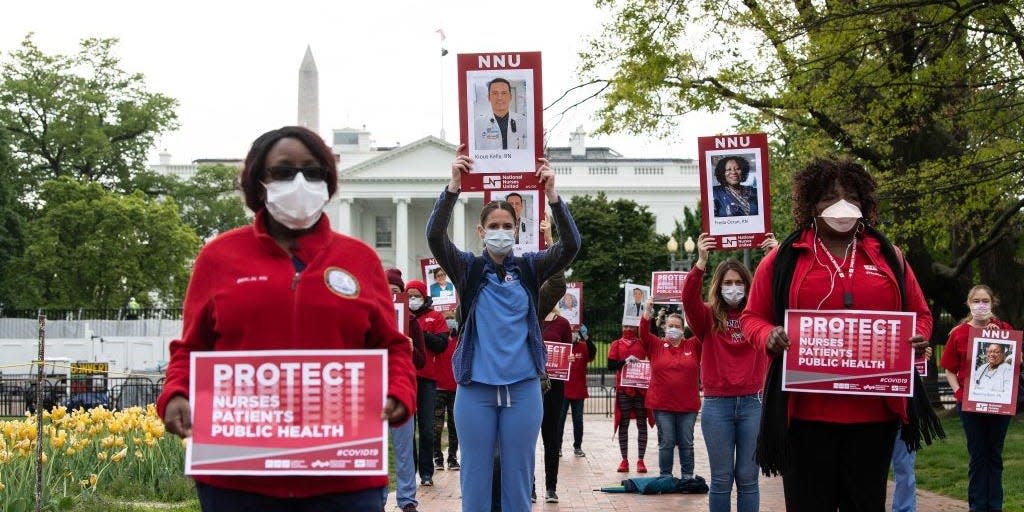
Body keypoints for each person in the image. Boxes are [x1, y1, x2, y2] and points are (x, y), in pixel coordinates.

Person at [157, 126, 416, 512]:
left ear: (327, 182)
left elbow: (392, 346)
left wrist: (399, 392)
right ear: (259, 182)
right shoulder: (218, 258)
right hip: (238, 475)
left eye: (313, 172)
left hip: (342, 473)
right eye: (283, 171)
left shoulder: (359, 260)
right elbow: (191, 347)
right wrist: (176, 392)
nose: (299, 182)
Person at [741, 157, 934, 511]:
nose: (842, 206)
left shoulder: (889, 256)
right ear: (811, 205)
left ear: (865, 204)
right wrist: (768, 335)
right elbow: (753, 316)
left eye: (852, 198)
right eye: (830, 198)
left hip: (874, 415)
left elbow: (920, 314)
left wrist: (918, 338)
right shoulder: (784, 258)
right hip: (805, 416)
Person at [426, 146, 580, 512]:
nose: (500, 232)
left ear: (517, 229)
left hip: (523, 389)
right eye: (493, 227)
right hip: (475, 389)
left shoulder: (530, 267)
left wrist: (554, 195)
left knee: (518, 479)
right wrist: (452, 188)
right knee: (475, 479)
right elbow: (435, 236)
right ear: (481, 231)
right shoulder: (468, 268)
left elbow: (571, 245)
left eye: (506, 226)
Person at [683, 232, 775, 512]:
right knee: (721, 479)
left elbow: (783, 292)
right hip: (717, 406)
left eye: (738, 283)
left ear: (748, 286)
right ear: (719, 286)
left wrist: (776, 256)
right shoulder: (707, 318)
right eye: (728, 283)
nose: (733, 288)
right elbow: (688, 299)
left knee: (748, 479)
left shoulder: (759, 317)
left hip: (754, 404)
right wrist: (700, 261)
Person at [940, 285, 1016, 512]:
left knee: (994, 455)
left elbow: (1017, 361)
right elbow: (949, 369)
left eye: (985, 301)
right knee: (977, 456)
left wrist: (999, 336)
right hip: (970, 404)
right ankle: (977, 506)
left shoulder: (1004, 329)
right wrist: (957, 394)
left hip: (999, 405)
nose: (981, 305)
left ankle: (995, 506)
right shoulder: (958, 333)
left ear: (992, 303)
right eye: (976, 301)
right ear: (969, 303)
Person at [636, 298, 702, 479]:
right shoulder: (656, 344)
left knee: (686, 443)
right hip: (662, 405)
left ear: (683, 329)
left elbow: (704, 331)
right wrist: (647, 311)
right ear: (665, 327)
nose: (673, 328)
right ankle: (665, 476)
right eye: (670, 325)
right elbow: (643, 333)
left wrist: (694, 309)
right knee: (667, 442)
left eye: (677, 326)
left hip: (687, 406)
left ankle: (687, 477)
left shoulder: (693, 345)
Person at [387, 269, 428, 512]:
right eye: (387, 291)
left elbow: (422, 361)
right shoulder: (370, 317)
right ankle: (378, 497)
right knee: (378, 450)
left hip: (402, 390)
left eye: (395, 292)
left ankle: (407, 499)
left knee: (404, 449)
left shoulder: (411, 322)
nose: (391, 296)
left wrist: (411, 349)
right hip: (376, 390)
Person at [406, 278, 450, 487]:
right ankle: (410, 471)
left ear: (424, 296)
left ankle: (426, 473)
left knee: (426, 428)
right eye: (410, 295)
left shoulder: (435, 317)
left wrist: (419, 335)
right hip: (405, 377)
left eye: (416, 295)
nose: (413, 299)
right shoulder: (401, 316)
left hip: (428, 380)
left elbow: (442, 344)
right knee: (407, 429)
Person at [607, 325, 650, 473]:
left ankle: (641, 460)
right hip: (624, 388)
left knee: (641, 423)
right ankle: (624, 459)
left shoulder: (642, 343)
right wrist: (625, 361)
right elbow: (610, 365)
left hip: (640, 388)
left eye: (631, 325)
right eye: (625, 325)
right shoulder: (616, 344)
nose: (628, 328)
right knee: (623, 423)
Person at [561, 323, 596, 458]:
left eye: (575, 332)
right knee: (560, 421)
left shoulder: (583, 346)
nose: (573, 334)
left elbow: (593, 352)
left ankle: (578, 446)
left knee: (578, 421)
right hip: (563, 390)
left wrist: (586, 337)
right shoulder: (563, 347)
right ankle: (558, 447)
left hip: (579, 390)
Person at [433, 312, 460, 472]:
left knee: (454, 426)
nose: (450, 322)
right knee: (436, 427)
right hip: (438, 388)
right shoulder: (439, 341)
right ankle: (437, 458)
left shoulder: (460, 339)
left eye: (452, 319)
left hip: (456, 389)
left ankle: (452, 458)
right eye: (447, 319)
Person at [473, 78, 528, 151]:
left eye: (504, 93)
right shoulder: (477, 124)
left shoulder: (525, 122)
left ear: (510, 97)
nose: (500, 97)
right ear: (489, 97)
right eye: (495, 93)